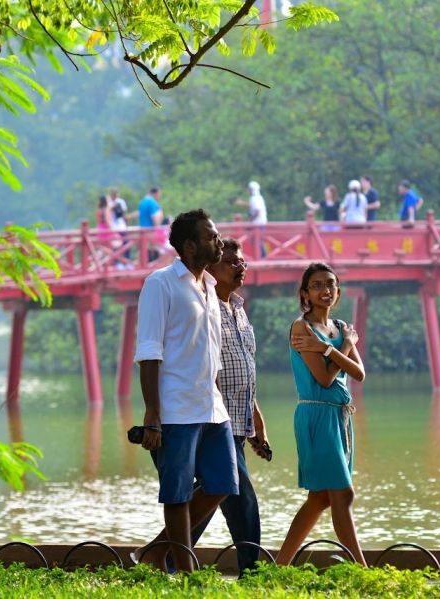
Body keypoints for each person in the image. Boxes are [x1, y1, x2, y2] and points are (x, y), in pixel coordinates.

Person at [132, 209, 238, 573]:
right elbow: (149, 350)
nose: (219, 242)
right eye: (212, 237)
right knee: (177, 493)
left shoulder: (209, 286)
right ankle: (188, 573)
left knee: (224, 482)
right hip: (176, 408)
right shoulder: (160, 283)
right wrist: (152, 413)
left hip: (212, 405)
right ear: (190, 245)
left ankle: (156, 551)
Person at [164, 238, 271, 576]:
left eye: (242, 262)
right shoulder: (204, 308)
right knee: (240, 499)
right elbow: (201, 367)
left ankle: (163, 558)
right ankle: (252, 572)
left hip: (238, 424)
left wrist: (257, 423)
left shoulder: (238, 308)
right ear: (209, 267)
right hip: (211, 421)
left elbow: (244, 370)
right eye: (231, 262)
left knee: (210, 497)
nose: (240, 267)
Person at [276, 262, 367, 566]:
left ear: (337, 290)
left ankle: (279, 567)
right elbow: (324, 379)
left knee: (320, 499)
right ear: (305, 294)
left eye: (330, 284)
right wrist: (341, 349)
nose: (325, 290)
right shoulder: (302, 328)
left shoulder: (340, 329)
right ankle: (362, 570)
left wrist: (335, 347)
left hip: (340, 417)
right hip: (316, 416)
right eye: (316, 285)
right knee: (342, 495)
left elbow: (359, 373)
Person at [236, 181, 268, 257]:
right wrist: (241, 203)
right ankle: (260, 257)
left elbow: (257, 212)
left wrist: (250, 221)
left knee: (257, 242)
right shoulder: (256, 198)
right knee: (256, 242)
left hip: (258, 224)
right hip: (258, 223)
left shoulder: (255, 198)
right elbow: (251, 206)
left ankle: (262, 257)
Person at [138, 187, 165, 261]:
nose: (159, 197)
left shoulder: (142, 202)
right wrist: (161, 212)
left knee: (144, 253)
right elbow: (155, 220)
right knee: (154, 252)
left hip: (143, 231)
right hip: (151, 231)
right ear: (156, 194)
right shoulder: (152, 202)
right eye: (159, 194)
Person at [108, 187, 131, 266]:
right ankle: (116, 263)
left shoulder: (121, 202)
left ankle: (127, 262)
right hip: (114, 227)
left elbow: (124, 215)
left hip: (121, 226)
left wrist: (126, 225)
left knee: (126, 244)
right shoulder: (109, 203)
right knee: (116, 245)